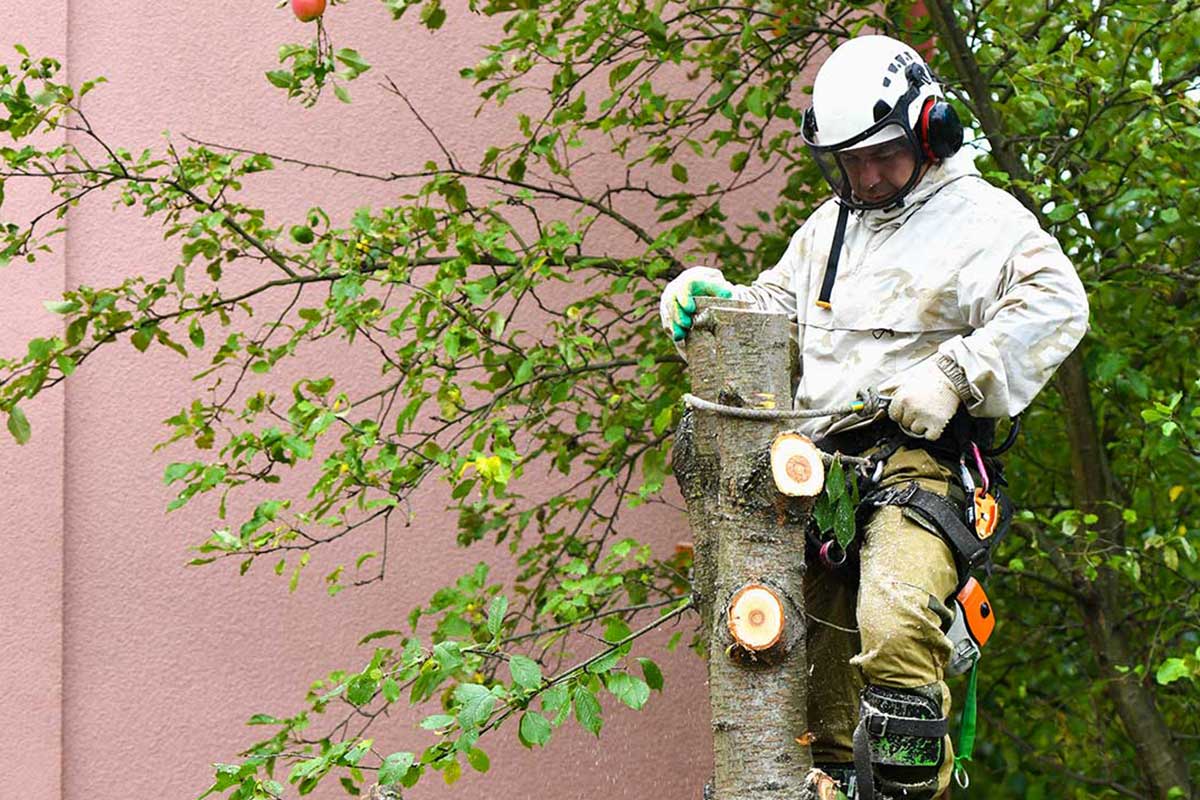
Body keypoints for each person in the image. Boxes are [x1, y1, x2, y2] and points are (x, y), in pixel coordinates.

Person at [660, 35, 1089, 800]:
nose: (866, 175)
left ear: (931, 131)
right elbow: (775, 309)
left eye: (882, 156)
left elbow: (1059, 305)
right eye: (850, 161)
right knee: (806, 656)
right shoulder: (831, 228)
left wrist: (957, 373)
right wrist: (711, 302)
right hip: (818, 473)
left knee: (893, 623)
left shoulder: (984, 220)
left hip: (918, 464)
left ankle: (907, 792)